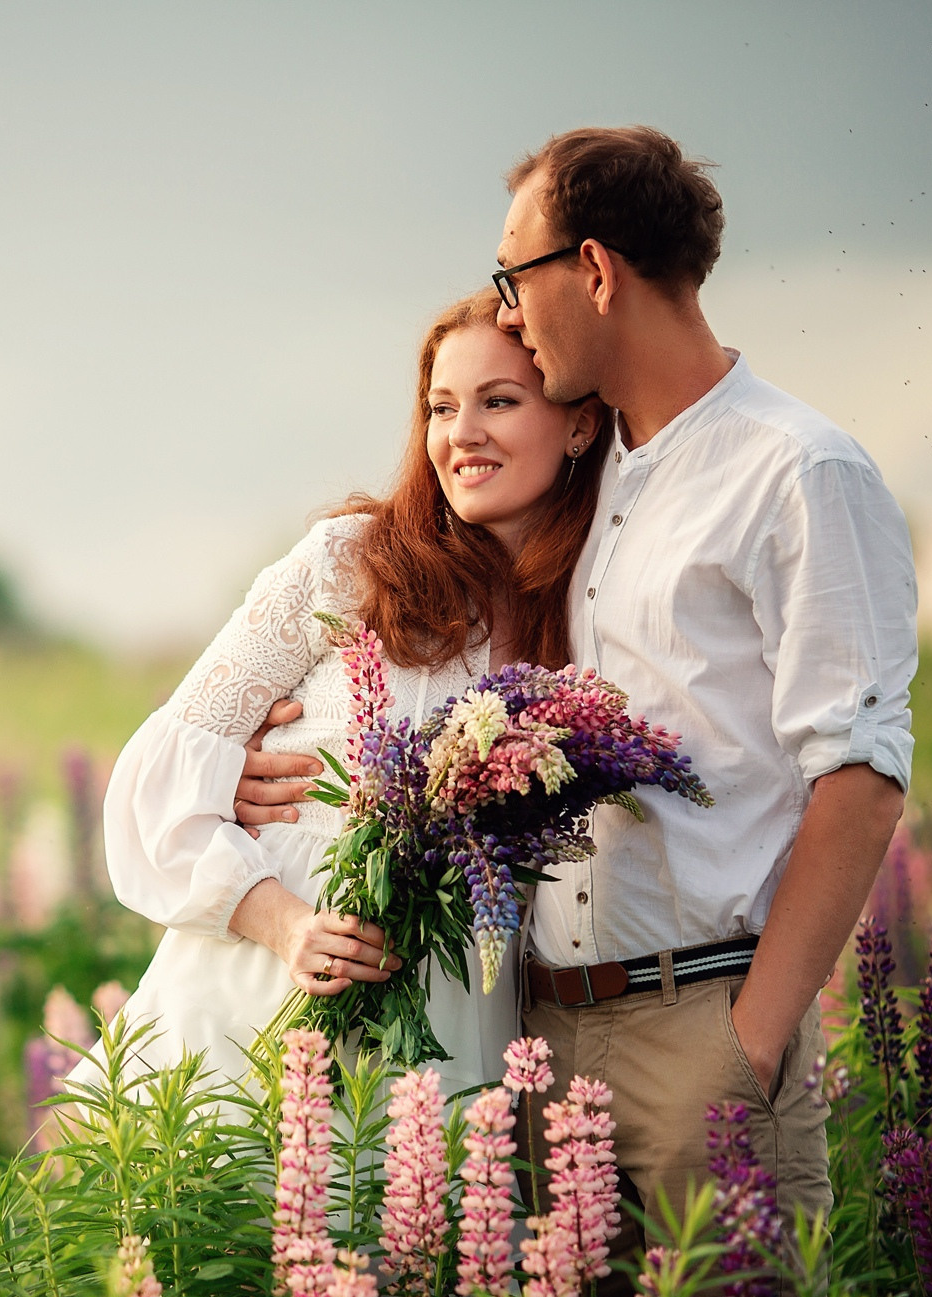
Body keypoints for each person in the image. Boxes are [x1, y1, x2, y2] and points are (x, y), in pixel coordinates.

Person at [490, 126, 915, 1261]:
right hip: (550, 1034)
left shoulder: (799, 467)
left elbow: (864, 775)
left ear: (592, 270)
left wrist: (749, 1044)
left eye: (513, 277)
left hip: (704, 1025)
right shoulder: (593, 478)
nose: (508, 315)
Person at [78, 290, 611, 1103]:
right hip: (267, 994)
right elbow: (158, 778)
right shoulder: (352, 562)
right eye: (440, 407)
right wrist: (283, 923)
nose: (460, 433)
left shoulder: (589, 607)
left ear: (578, 423)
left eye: (498, 402)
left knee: (411, 1216)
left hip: (453, 1007)